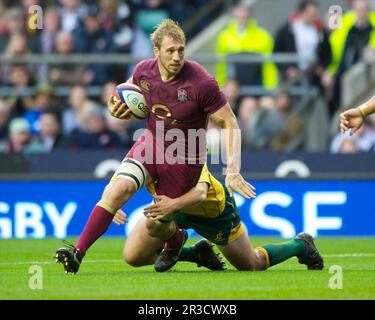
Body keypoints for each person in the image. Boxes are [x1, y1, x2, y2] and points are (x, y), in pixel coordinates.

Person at [55, 19, 255, 274]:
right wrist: (115, 107)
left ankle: (176, 241)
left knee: (156, 223)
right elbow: (124, 95)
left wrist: (233, 169)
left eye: (181, 50)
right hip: (151, 144)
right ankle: (77, 253)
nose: (176, 56)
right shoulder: (143, 71)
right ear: (156, 52)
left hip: (184, 159)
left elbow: (230, 122)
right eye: (170, 51)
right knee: (117, 191)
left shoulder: (201, 82)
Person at [114, 165, 324, 272]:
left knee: (252, 264)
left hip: (212, 213)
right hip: (172, 209)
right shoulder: (148, 149)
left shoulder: (187, 149)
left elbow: (199, 194)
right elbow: (126, 174)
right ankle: (196, 254)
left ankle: (300, 245)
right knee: (134, 256)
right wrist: (112, 202)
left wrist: (171, 206)